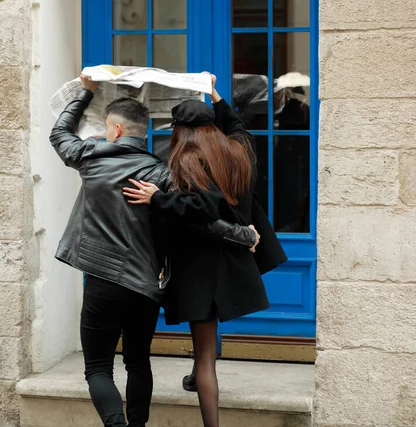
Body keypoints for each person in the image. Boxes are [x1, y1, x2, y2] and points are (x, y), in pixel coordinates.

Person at [49, 74, 261, 427]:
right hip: (144, 285)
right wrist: (240, 233)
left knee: (98, 368)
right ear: (143, 132)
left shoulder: (90, 156)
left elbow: (60, 134)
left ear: (115, 130)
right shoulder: (163, 175)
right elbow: (200, 217)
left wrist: (86, 92)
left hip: (101, 281)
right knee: (138, 362)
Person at [123, 75, 283, 427]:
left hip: (199, 266)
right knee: (207, 343)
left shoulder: (188, 162)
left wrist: (157, 198)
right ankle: (197, 377)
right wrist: (216, 97)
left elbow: (199, 208)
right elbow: (239, 127)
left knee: (205, 354)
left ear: (180, 131)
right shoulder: (238, 151)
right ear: (212, 126)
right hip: (234, 262)